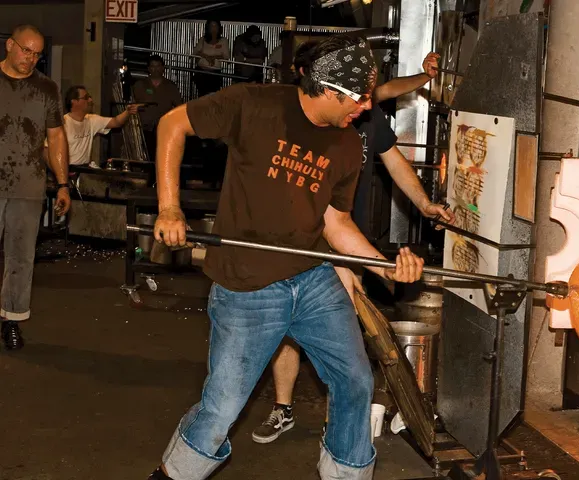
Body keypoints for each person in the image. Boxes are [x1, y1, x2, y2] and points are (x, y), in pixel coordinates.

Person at [147, 34, 424, 480]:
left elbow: (335, 224)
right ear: (330, 92)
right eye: (360, 98)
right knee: (222, 409)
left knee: (355, 382)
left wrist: (384, 265)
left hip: (313, 277)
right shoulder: (254, 105)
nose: (368, 108)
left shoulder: (349, 144)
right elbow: (171, 125)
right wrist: (169, 207)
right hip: (247, 286)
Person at [251, 47, 452, 445]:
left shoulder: (365, 109)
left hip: (346, 237)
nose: (361, 103)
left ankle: (342, 426)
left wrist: (425, 203)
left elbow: (393, 159)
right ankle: (284, 407)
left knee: (346, 329)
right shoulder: (306, 116)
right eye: (356, 93)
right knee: (289, 328)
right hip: (300, 242)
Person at [0, 24, 71, 350]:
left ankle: (11, 319)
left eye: (37, 53)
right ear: (10, 46)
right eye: (26, 50)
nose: (31, 58)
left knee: (21, 258)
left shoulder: (47, 88)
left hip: (27, 183)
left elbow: (56, 137)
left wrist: (62, 184)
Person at [59, 85, 141, 167]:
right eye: (86, 98)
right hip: (68, 169)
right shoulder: (62, 123)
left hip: (84, 169)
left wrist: (127, 112)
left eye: (90, 97)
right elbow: (48, 151)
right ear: (74, 102)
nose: (90, 100)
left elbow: (116, 122)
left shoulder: (91, 120)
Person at [132, 55, 183, 163]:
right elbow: (132, 104)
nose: (155, 69)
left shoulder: (170, 86)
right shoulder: (140, 85)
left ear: (163, 68)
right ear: (148, 68)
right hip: (143, 129)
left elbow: (179, 107)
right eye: (153, 66)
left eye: (158, 66)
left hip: (164, 129)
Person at [192, 19, 229, 97]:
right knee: (202, 96)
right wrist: (206, 56)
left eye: (215, 26)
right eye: (211, 26)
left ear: (219, 28)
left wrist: (214, 57)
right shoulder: (203, 39)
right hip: (202, 72)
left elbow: (226, 56)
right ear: (208, 28)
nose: (214, 28)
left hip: (214, 74)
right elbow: (195, 52)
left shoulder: (223, 41)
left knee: (213, 97)